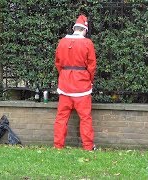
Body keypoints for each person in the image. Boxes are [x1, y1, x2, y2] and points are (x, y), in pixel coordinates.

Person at [54, 14, 97, 150]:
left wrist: (64, 76)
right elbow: (92, 66)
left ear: (74, 28)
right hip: (82, 86)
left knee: (61, 117)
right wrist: (90, 80)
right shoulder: (87, 43)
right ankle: (88, 146)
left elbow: (58, 64)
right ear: (85, 30)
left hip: (65, 85)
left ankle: (58, 145)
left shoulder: (62, 42)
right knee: (85, 118)